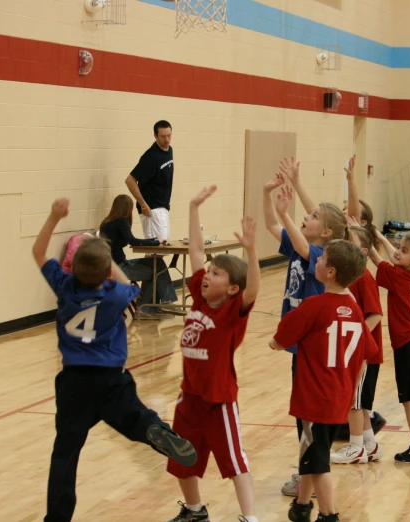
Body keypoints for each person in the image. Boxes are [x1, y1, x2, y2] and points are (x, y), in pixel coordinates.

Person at [32, 199, 196, 522]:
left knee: (65, 452)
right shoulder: (115, 294)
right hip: (110, 378)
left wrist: (53, 216)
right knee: (136, 418)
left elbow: (39, 252)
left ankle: (57, 518)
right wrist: (110, 267)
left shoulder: (64, 287)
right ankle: (155, 430)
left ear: (72, 268)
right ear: (106, 271)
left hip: (74, 382)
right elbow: (126, 285)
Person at [164, 186, 260, 522]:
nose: (208, 274)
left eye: (217, 273)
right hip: (189, 397)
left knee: (235, 464)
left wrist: (251, 250)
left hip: (218, 400)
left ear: (232, 288)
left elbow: (253, 290)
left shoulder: (232, 313)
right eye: (209, 271)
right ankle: (194, 510)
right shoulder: (202, 298)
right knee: (180, 459)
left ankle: (250, 518)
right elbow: (195, 251)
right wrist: (193, 208)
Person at [270, 240, 377, 522]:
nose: (315, 260)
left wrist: (274, 341)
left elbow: (279, 341)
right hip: (339, 397)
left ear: (330, 271)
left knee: (318, 463)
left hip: (313, 400)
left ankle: (329, 515)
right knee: (313, 453)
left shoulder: (313, 305)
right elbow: (369, 351)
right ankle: (302, 506)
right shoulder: (354, 309)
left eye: (321, 258)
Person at [263, 158, 348, 499]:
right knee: (304, 418)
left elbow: (301, 243)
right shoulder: (307, 246)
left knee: (308, 419)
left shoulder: (320, 254)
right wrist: (267, 194)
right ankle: (309, 474)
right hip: (300, 346)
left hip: (312, 347)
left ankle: (308, 478)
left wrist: (286, 212)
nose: (307, 216)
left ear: (326, 233)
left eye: (313, 218)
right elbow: (272, 227)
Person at [369, 231, 410, 464]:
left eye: (404, 250)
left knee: (409, 398)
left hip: (408, 342)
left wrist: (368, 242)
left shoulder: (398, 276)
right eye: (399, 246)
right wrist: (380, 236)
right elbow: (394, 258)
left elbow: (378, 261)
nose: (398, 251)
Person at [330, 224, 384, 465]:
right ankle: (369, 444)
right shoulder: (352, 277)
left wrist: (355, 338)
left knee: (354, 401)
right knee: (362, 402)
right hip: (357, 351)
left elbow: (375, 315)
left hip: (363, 352)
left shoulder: (364, 277)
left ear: (362, 252)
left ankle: (355, 447)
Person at [99, 195, 177, 314]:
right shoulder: (121, 221)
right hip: (119, 267)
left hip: (110, 266)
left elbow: (133, 241)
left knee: (158, 263)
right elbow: (133, 241)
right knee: (156, 272)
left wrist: (154, 239)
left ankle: (155, 305)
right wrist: (156, 242)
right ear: (127, 208)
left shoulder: (106, 222)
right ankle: (147, 308)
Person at [125, 120, 174, 240]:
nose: (167, 139)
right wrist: (144, 205)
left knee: (161, 249)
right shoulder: (151, 157)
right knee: (157, 250)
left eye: (169, 135)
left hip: (163, 207)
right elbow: (130, 180)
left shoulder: (169, 150)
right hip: (152, 208)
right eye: (163, 136)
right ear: (155, 136)